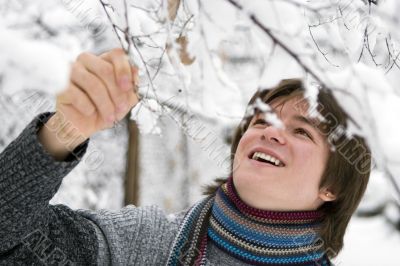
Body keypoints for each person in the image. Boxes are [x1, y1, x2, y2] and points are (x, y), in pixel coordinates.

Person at [0, 48, 371, 265]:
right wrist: (64, 131)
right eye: (261, 121)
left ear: (333, 186)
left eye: (302, 131)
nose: (270, 131)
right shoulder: (147, 244)